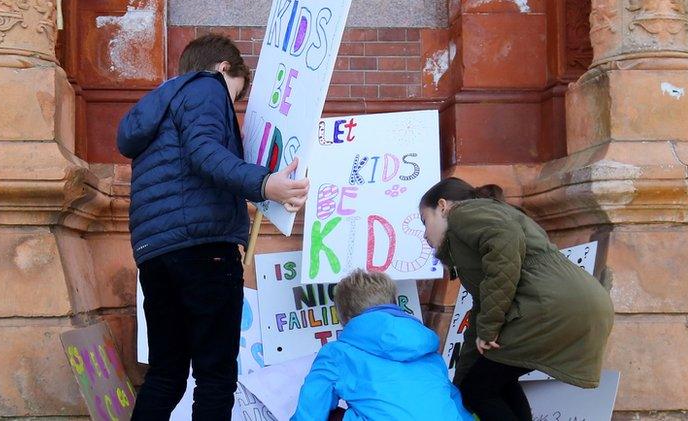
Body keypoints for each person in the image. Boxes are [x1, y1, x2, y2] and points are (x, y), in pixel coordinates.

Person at [117, 34, 309, 421]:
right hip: (205, 250)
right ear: (225, 68)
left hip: (155, 254)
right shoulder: (206, 87)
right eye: (236, 96)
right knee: (215, 376)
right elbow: (206, 153)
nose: (232, 105)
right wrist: (265, 183)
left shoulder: (161, 105)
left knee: (166, 373)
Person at [419, 178, 614, 421]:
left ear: (443, 206)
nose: (424, 234)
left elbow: (504, 239)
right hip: (572, 303)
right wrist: (459, 385)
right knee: (491, 383)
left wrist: (489, 331)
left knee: (479, 390)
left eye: (424, 221)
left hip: (551, 306)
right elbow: (482, 310)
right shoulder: (475, 230)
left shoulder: (463, 213)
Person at [290, 270, 475, 421]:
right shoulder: (426, 347)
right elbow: (453, 402)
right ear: (394, 304)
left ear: (344, 317)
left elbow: (309, 414)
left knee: (332, 415)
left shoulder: (336, 354)